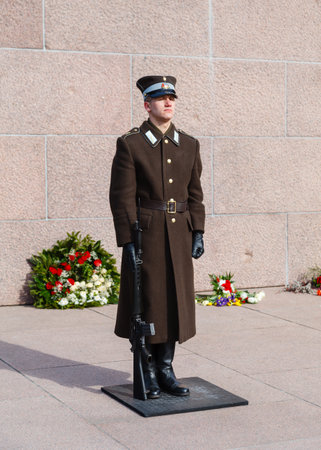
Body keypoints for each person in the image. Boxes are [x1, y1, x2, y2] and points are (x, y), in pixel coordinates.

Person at [109, 75, 205, 399]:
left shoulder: (189, 144)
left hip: (179, 233)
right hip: (146, 234)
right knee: (149, 302)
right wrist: (128, 240)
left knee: (174, 302)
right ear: (147, 104)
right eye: (161, 99)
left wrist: (199, 230)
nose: (168, 103)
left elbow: (195, 193)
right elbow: (121, 196)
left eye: (172, 98)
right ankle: (147, 369)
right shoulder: (131, 144)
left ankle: (166, 368)